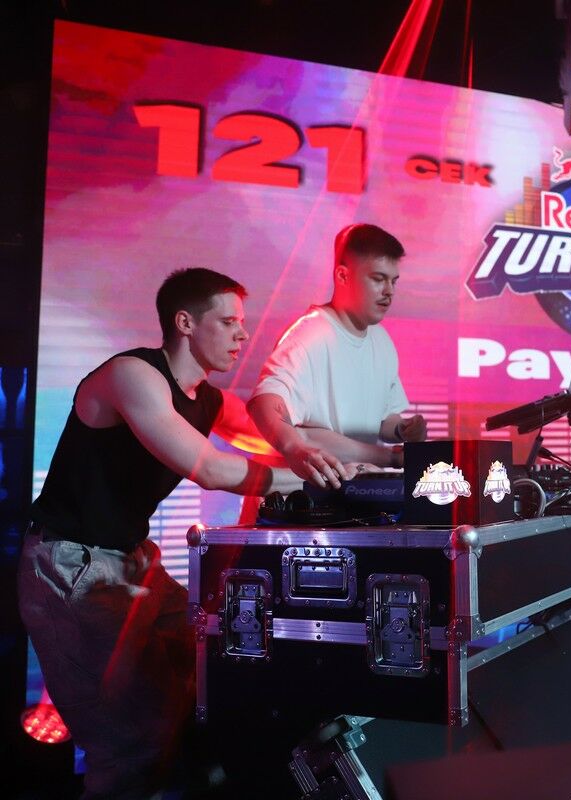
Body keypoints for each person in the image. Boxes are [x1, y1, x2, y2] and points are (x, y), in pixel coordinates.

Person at [18, 268, 350, 799]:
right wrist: (316, 475)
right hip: (72, 566)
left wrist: (374, 457)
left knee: (212, 674)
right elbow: (211, 469)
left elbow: (279, 437)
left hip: (131, 560)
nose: (243, 334)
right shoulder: (133, 374)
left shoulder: (209, 400)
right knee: (129, 747)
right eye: (229, 322)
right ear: (185, 323)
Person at [248, 223, 426, 473]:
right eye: (378, 279)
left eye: (393, 281)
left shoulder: (382, 340)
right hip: (313, 492)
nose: (389, 291)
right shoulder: (309, 335)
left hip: (363, 489)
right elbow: (265, 402)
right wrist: (293, 446)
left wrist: (401, 429)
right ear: (342, 276)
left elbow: (384, 419)